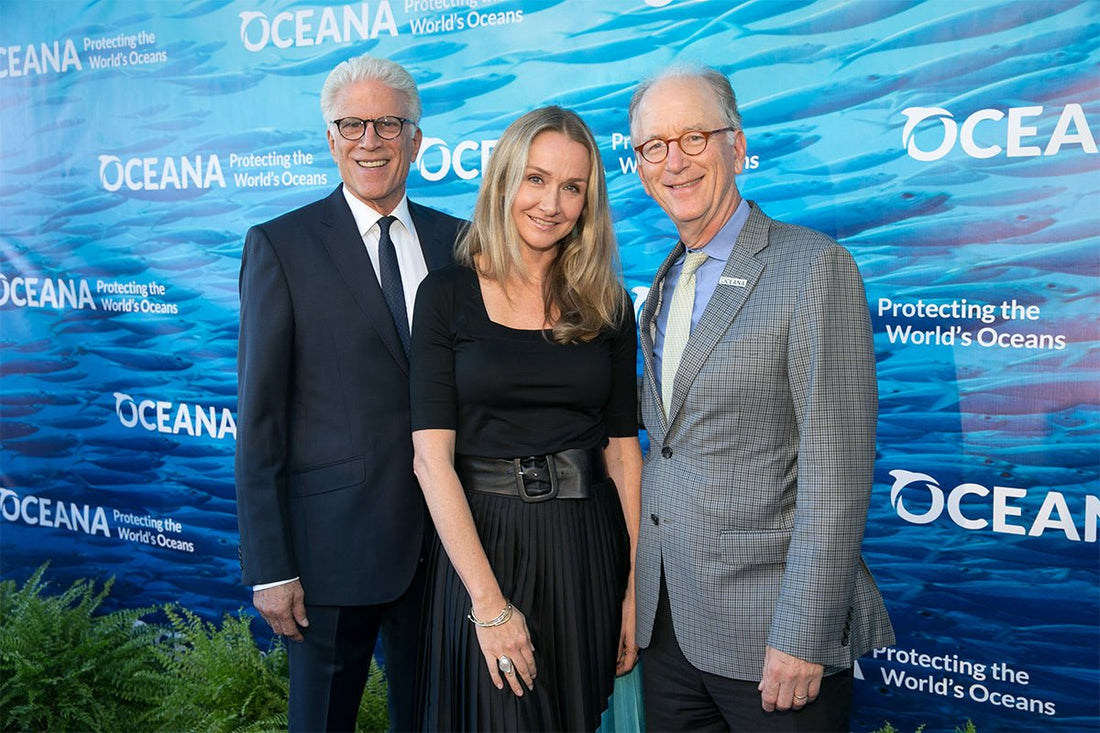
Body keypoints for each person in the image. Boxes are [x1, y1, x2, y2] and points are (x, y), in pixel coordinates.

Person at [629, 64, 895, 732]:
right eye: (654, 145)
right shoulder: (665, 280)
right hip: (669, 632)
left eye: (694, 137)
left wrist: (805, 631)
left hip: (773, 638)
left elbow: (836, 471)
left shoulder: (813, 268)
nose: (674, 161)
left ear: (737, 145)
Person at [235, 53, 464, 732]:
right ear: (331, 139)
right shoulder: (281, 246)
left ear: (415, 140)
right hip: (330, 556)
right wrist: (271, 566)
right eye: (352, 125)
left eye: (388, 124)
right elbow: (260, 419)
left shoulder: (460, 242)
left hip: (447, 550)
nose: (371, 141)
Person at [409, 105, 641, 732]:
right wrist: (489, 606)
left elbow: (623, 453)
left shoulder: (609, 304)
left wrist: (632, 590)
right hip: (485, 549)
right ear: (505, 180)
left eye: (573, 187)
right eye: (536, 179)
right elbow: (431, 462)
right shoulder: (445, 295)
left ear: (588, 203)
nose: (551, 204)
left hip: (587, 549)